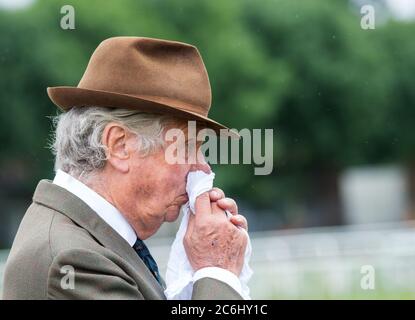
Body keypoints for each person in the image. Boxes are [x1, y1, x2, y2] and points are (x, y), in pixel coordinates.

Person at [2, 36, 248, 299]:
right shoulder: (74, 260)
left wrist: (194, 277)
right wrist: (216, 269)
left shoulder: (91, 240)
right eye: (186, 146)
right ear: (119, 146)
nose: (203, 168)